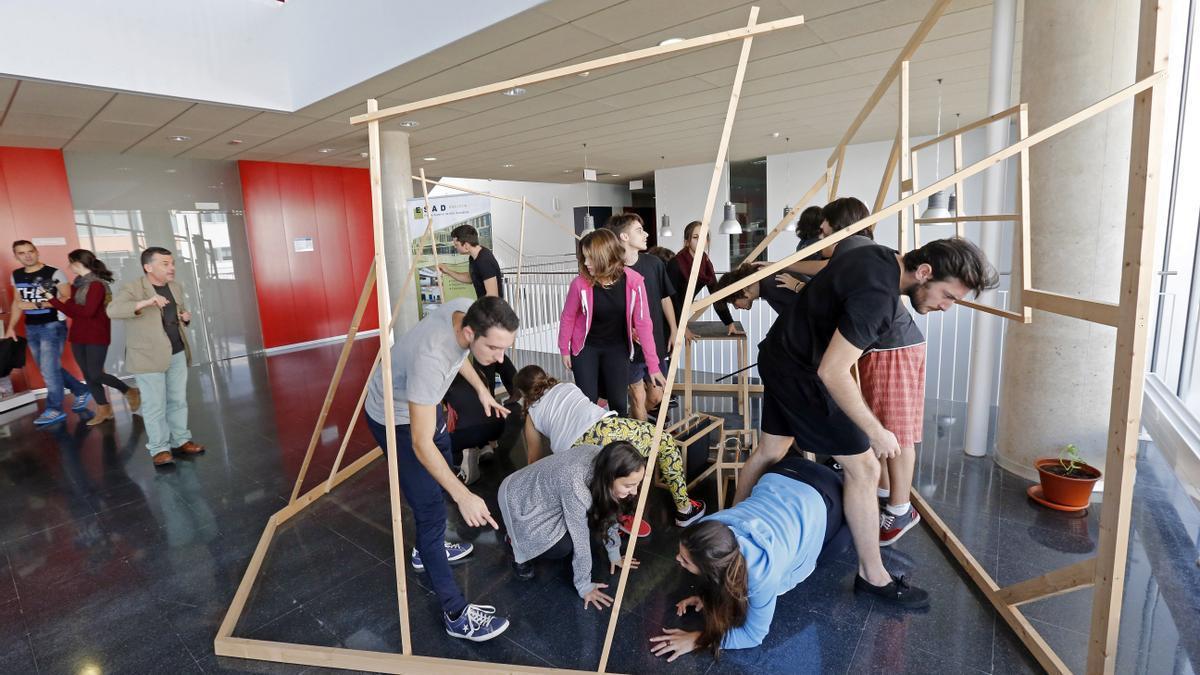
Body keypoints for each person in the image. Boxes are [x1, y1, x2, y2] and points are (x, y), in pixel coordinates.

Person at [734, 234, 998, 608]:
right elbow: (833, 371)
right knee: (865, 468)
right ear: (924, 272)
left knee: (769, 451)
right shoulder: (879, 299)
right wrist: (877, 431)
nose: (946, 307)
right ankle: (873, 577)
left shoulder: (877, 255)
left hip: (779, 355)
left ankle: (727, 538)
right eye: (948, 296)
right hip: (802, 371)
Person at [363, 295, 517, 642]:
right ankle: (456, 614)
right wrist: (464, 495)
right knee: (432, 508)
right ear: (469, 333)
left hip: (424, 403)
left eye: (505, 348)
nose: (500, 357)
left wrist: (482, 389)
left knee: (443, 465)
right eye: (493, 348)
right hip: (397, 420)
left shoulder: (466, 309)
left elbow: (459, 356)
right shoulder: (431, 359)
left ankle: (424, 549)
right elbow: (420, 444)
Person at [649, 455, 853, 661]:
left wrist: (698, 639)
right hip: (785, 471)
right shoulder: (710, 527)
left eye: (685, 560)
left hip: (828, 495)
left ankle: (843, 478)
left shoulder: (762, 575)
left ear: (712, 569)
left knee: (831, 551)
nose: (677, 559)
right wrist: (709, 596)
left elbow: (753, 636)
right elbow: (721, 571)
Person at [813, 198, 929, 546]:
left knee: (896, 430)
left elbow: (822, 270)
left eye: (823, 231)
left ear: (839, 226)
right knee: (886, 423)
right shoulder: (862, 249)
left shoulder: (855, 248)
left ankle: (900, 507)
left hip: (894, 348)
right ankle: (884, 496)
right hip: (889, 347)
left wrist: (778, 267)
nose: (820, 239)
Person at [514, 365, 705, 534]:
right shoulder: (566, 386)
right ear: (545, 376)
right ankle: (684, 509)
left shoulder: (532, 415)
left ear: (524, 394)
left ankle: (617, 516)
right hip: (604, 428)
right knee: (664, 442)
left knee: (604, 477)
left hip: (571, 452)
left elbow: (534, 460)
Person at [498, 441, 644, 607]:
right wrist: (584, 585)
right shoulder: (576, 484)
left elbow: (608, 506)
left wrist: (614, 553)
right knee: (562, 546)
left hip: (546, 491)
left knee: (590, 526)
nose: (634, 491)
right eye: (629, 485)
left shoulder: (606, 458)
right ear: (609, 477)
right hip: (518, 496)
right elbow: (579, 539)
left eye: (637, 483)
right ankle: (513, 541)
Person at [108, 247, 204, 466]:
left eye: (172, 263)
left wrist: (185, 318)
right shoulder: (133, 288)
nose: (171, 268)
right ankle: (159, 448)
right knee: (154, 405)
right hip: (147, 356)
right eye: (165, 264)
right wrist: (146, 302)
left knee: (177, 400)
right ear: (148, 267)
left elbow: (178, 315)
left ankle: (180, 440)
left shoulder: (175, 287)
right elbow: (113, 311)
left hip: (176, 351)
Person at [559, 228, 665, 418]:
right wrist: (564, 349)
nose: (586, 263)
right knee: (587, 402)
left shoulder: (633, 281)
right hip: (586, 348)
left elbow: (644, 324)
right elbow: (568, 316)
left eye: (590, 258)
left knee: (618, 403)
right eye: (584, 258)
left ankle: (618, 446)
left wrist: (653, 366)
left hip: (617, 347)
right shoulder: (580, 284)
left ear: (605, 256)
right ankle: (588, 446)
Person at [47, 249, 138, 426]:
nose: (69, 266)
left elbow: (88, 312)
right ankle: (104, 409)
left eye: (70, 262)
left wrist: (65, 305)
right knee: (89, 375)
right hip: (78, 335)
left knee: (96, 374)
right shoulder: (77, 285)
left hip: (97, 334)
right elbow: (71, 311)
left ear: (78, 263)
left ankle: (129, 390)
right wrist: (53, 299)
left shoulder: (97, 285)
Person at [6, 240, 91, 425]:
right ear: (16, 256)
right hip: (31, 326)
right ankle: (81, 389)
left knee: (48, 369)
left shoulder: (53, 272)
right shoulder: (16, 275)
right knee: (49, 367)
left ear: (37, 252)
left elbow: (67, 298)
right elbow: (17, 302)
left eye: (30, 251)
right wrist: (10, 326)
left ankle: (54, 409)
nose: (27, 255)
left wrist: (36, 304)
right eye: (22, 253)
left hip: (52, 325)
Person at [604, 214, 678, 421]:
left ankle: (632, 426)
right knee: (637, 396)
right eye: (639, 230)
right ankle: (641, 446)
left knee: (656, 396)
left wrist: (673, 329)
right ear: (624, 236)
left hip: (655, 343)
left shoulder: (654, 264)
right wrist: (629, 329)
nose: (645, 234)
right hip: (628, 349)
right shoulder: (612, 270)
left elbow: (665, 298)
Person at [444, 353, 521, 485]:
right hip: (498, 426)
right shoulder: (479, 374)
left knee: (445, 442)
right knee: (479, 416)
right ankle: (485, 446)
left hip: (468, 433)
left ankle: (458, 469)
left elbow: (450, 414)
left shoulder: (446, 380)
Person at [667, 221, 738, 337]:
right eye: (695, 237)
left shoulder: (706, 264)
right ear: (687, 241)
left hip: (679, 318)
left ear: (707, 241)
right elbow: (672, 300)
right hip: (666, 318)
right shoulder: (675, 263)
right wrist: (681, 327)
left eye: (704, 237)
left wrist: (729, 323)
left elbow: (716, 295)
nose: (700, 240)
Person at [438, 224, 504, 299]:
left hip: (491, 309)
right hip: (485, 306)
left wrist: (477, 310)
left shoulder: (484, 261)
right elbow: (470, 278)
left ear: (466, 245)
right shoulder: (473, 257)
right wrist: (447, 271)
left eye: (456, 245)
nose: (455, 247)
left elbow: (492, 295)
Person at [714, 263, 804, 314]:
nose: (736, 307)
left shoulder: (772, 282)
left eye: (733, 302)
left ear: (743, 289)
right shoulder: (765, 287)